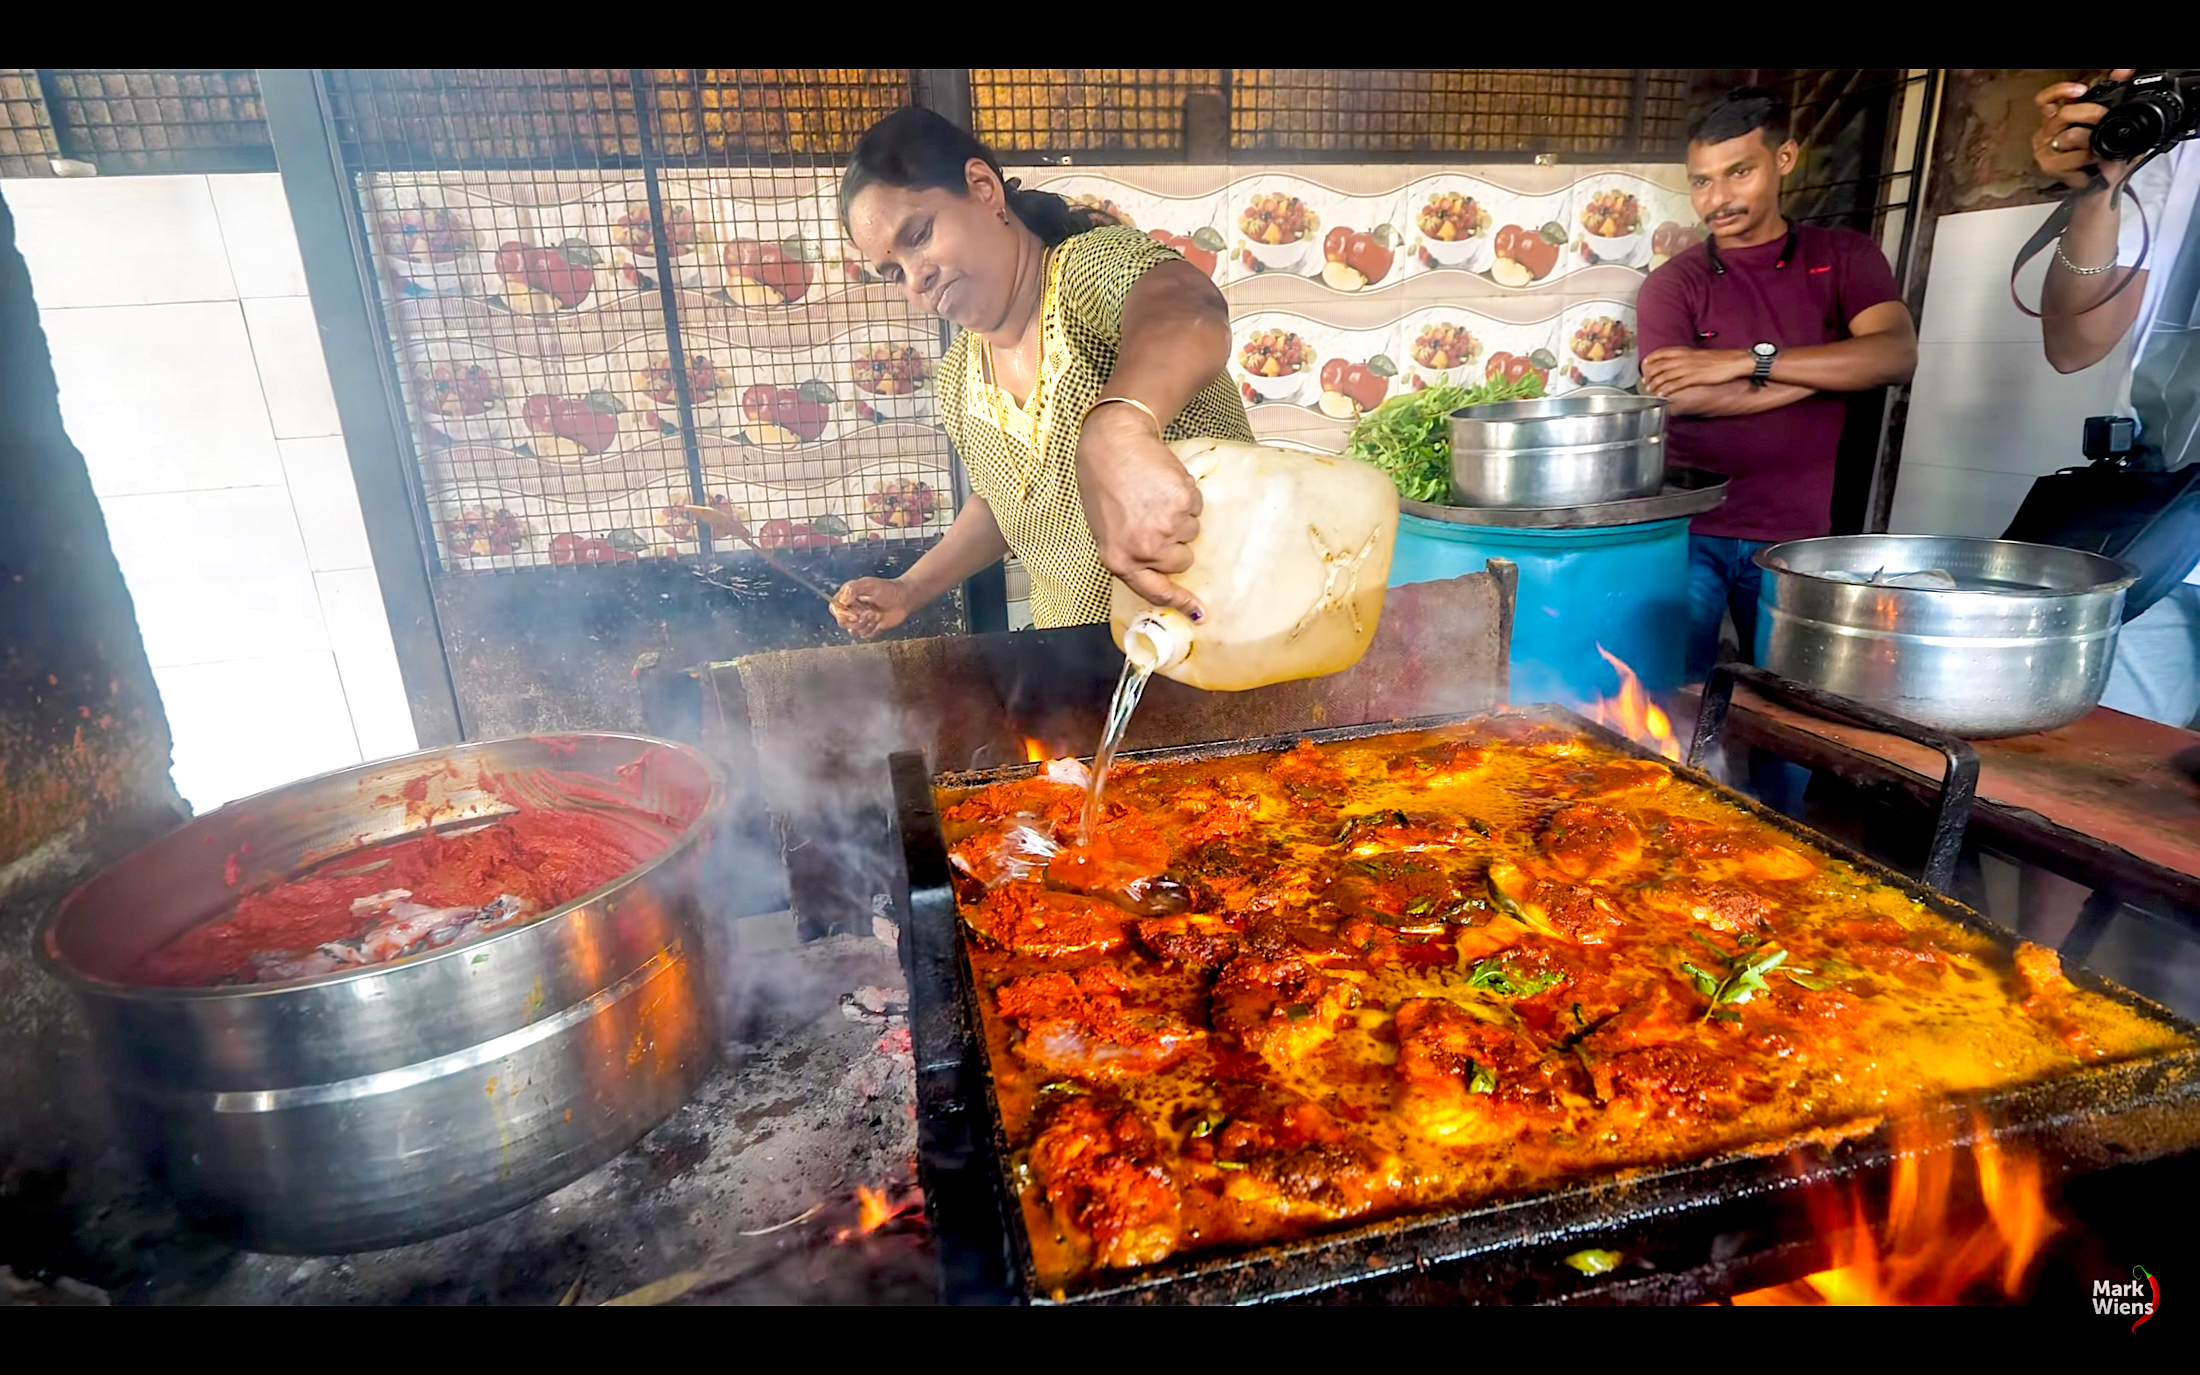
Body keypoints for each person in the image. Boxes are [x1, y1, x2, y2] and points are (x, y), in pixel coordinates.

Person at [829, 108, 1252, 638]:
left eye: (918, 235)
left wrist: (1120, 427)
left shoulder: (1082, 273)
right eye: (893, 273)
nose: (917, 278)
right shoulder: (959, 376)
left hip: (1217, 637)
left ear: (982, 188)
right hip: (1072, 668)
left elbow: (1187, 307)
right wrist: (910, 589)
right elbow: (1006, 503)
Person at [1636, 87, 1920, 685]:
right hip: (1690, 531)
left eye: (1738, 172)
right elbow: (1678, 396)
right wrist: (1828, 375)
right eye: (1702, 181)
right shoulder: (1673, 284)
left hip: (1797, 537)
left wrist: (1746, 360)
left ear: (1784, 158)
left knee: (1793, 699)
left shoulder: (1845, 257)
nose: (1718, 198)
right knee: (1664, 692)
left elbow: (1893, 355)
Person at [2029, 68, 2200, 729]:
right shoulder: (2178, 132)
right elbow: (2075, 341)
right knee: (2096, 768)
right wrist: (2101, 185)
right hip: (2168, 522)